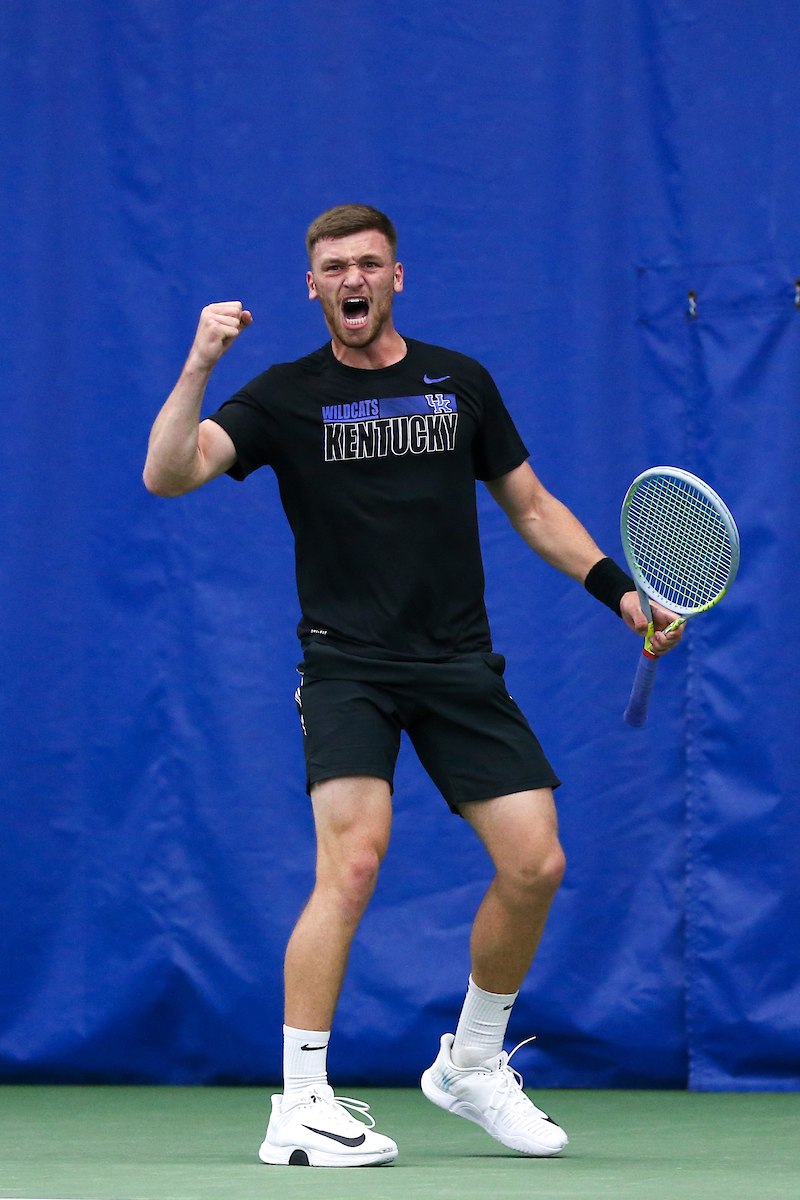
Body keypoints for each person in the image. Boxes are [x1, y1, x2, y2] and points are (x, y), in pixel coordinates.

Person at [144, 204, 682, 1168]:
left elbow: (530, 502)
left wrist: (619, 593)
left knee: (536, 863)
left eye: (369, 264)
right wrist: (199, 365)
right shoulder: (279, 397)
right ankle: (300, 1103)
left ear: (397, 277)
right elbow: (167, 473)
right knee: (352, 861)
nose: (352, 280)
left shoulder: (460, 382)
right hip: (347, 665)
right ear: (312, 287)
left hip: (457, 663)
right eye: (333, 268)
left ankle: (472, 1063)